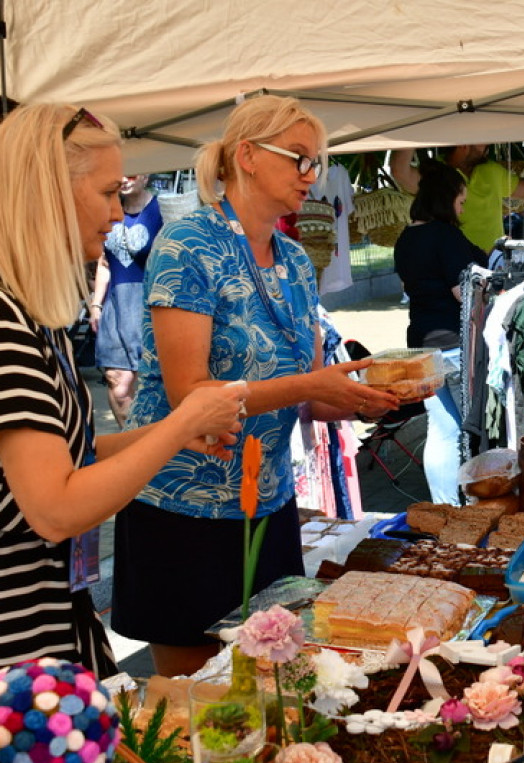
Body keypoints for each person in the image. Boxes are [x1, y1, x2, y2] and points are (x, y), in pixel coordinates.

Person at [111, 95, 399, 677]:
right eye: (298, 158)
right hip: (181, 509)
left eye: (314, 161)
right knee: (193, 693)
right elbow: (189, 393)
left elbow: (308, 394)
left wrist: (366, 396)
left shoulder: (294, 260)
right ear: (245, 155)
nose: (310, 175)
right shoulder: (188, 245)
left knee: (268, 684)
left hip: (265, 503)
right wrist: (307, 386)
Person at [0, 104, 248, 676]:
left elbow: (73, 455)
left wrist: (170, 434)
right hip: (22, 660)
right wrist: (183, 424)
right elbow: (56, 510)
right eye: (108, 192)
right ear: (46, 194)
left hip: (55, 631)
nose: (118, 214)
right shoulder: (8, 330)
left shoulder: (35, 320)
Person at [393, 160, 487, 503]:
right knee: (471, 428)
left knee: (442, 429)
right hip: (454, 343)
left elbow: (408, 285)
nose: (461, 209)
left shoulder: (406, 237)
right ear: (447, 198)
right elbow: (463, 294)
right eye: (460, 202)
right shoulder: (445, 235)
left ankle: (445, 506)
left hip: (421, 345)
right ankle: (476, 505)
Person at [389, 142, 524, 255]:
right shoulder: (435, 173)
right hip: (448, 262)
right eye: (481, 140)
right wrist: (411, 133)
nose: (487, 146)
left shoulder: (492, 170)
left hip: (491, 264)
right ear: (463, 144)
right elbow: (399, 171)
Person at [89, 174, 163, 427]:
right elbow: (104, 262)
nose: (125, 178)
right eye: (122, 173)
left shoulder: (161, 210)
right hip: (115, 304)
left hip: (149, 304)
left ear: (147, 174)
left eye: (133, 173)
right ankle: (129, 439)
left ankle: (153, 446)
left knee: (151, 380)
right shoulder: (110, 209)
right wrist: (96, 304)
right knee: (116, 380)